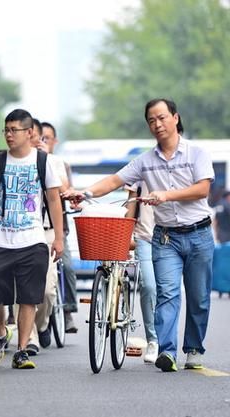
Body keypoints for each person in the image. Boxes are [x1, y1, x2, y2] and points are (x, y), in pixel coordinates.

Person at [63, 98, 215, 372]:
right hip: (165, 238)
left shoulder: (196, 154)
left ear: (175, 118)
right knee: (166, 292)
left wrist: (166, 195)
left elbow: (202, 189)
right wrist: (83, 192)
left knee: (198, 297)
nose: (157, 124)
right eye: (151, 120)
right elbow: (113, 181)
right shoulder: (144, 162)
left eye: (162, 117)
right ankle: (167, 352)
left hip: (199, 234)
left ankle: (193, 348)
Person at [0, 109, 63, 370]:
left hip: (33, 239)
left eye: (14, 130)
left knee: (29, 298)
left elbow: (53, 199)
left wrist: (58, 238)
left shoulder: (44, 161)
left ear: (29, 133)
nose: (8, 135)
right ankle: (2, 333)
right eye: (6, 130)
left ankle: (23, 349)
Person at [23, 119, 70, 356]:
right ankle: (28, 338)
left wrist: (44, 164)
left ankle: (42, 323)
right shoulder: (10, 162)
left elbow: (62, 193)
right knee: (21, 289)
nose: (34, 141)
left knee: (48, 290)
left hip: (47, 231)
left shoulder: (52, 162)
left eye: (37, 137)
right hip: (20, 232)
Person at [42, 121, 79, 333]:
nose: (43, 142)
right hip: (36, 227)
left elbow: (66, 190)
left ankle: (68, 310)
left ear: (54, 141)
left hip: (58, 227)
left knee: (67, 266)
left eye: (47, 138)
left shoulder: (59, 164)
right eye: (40, 138)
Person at [126, 181, 158, 363]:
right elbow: (131, 205)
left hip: (171, 237)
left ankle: (167, 342)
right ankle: (153, 340)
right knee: (148, 286)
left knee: (167, 291)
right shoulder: (140, 168)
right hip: (144, 237)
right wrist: (126, 236)